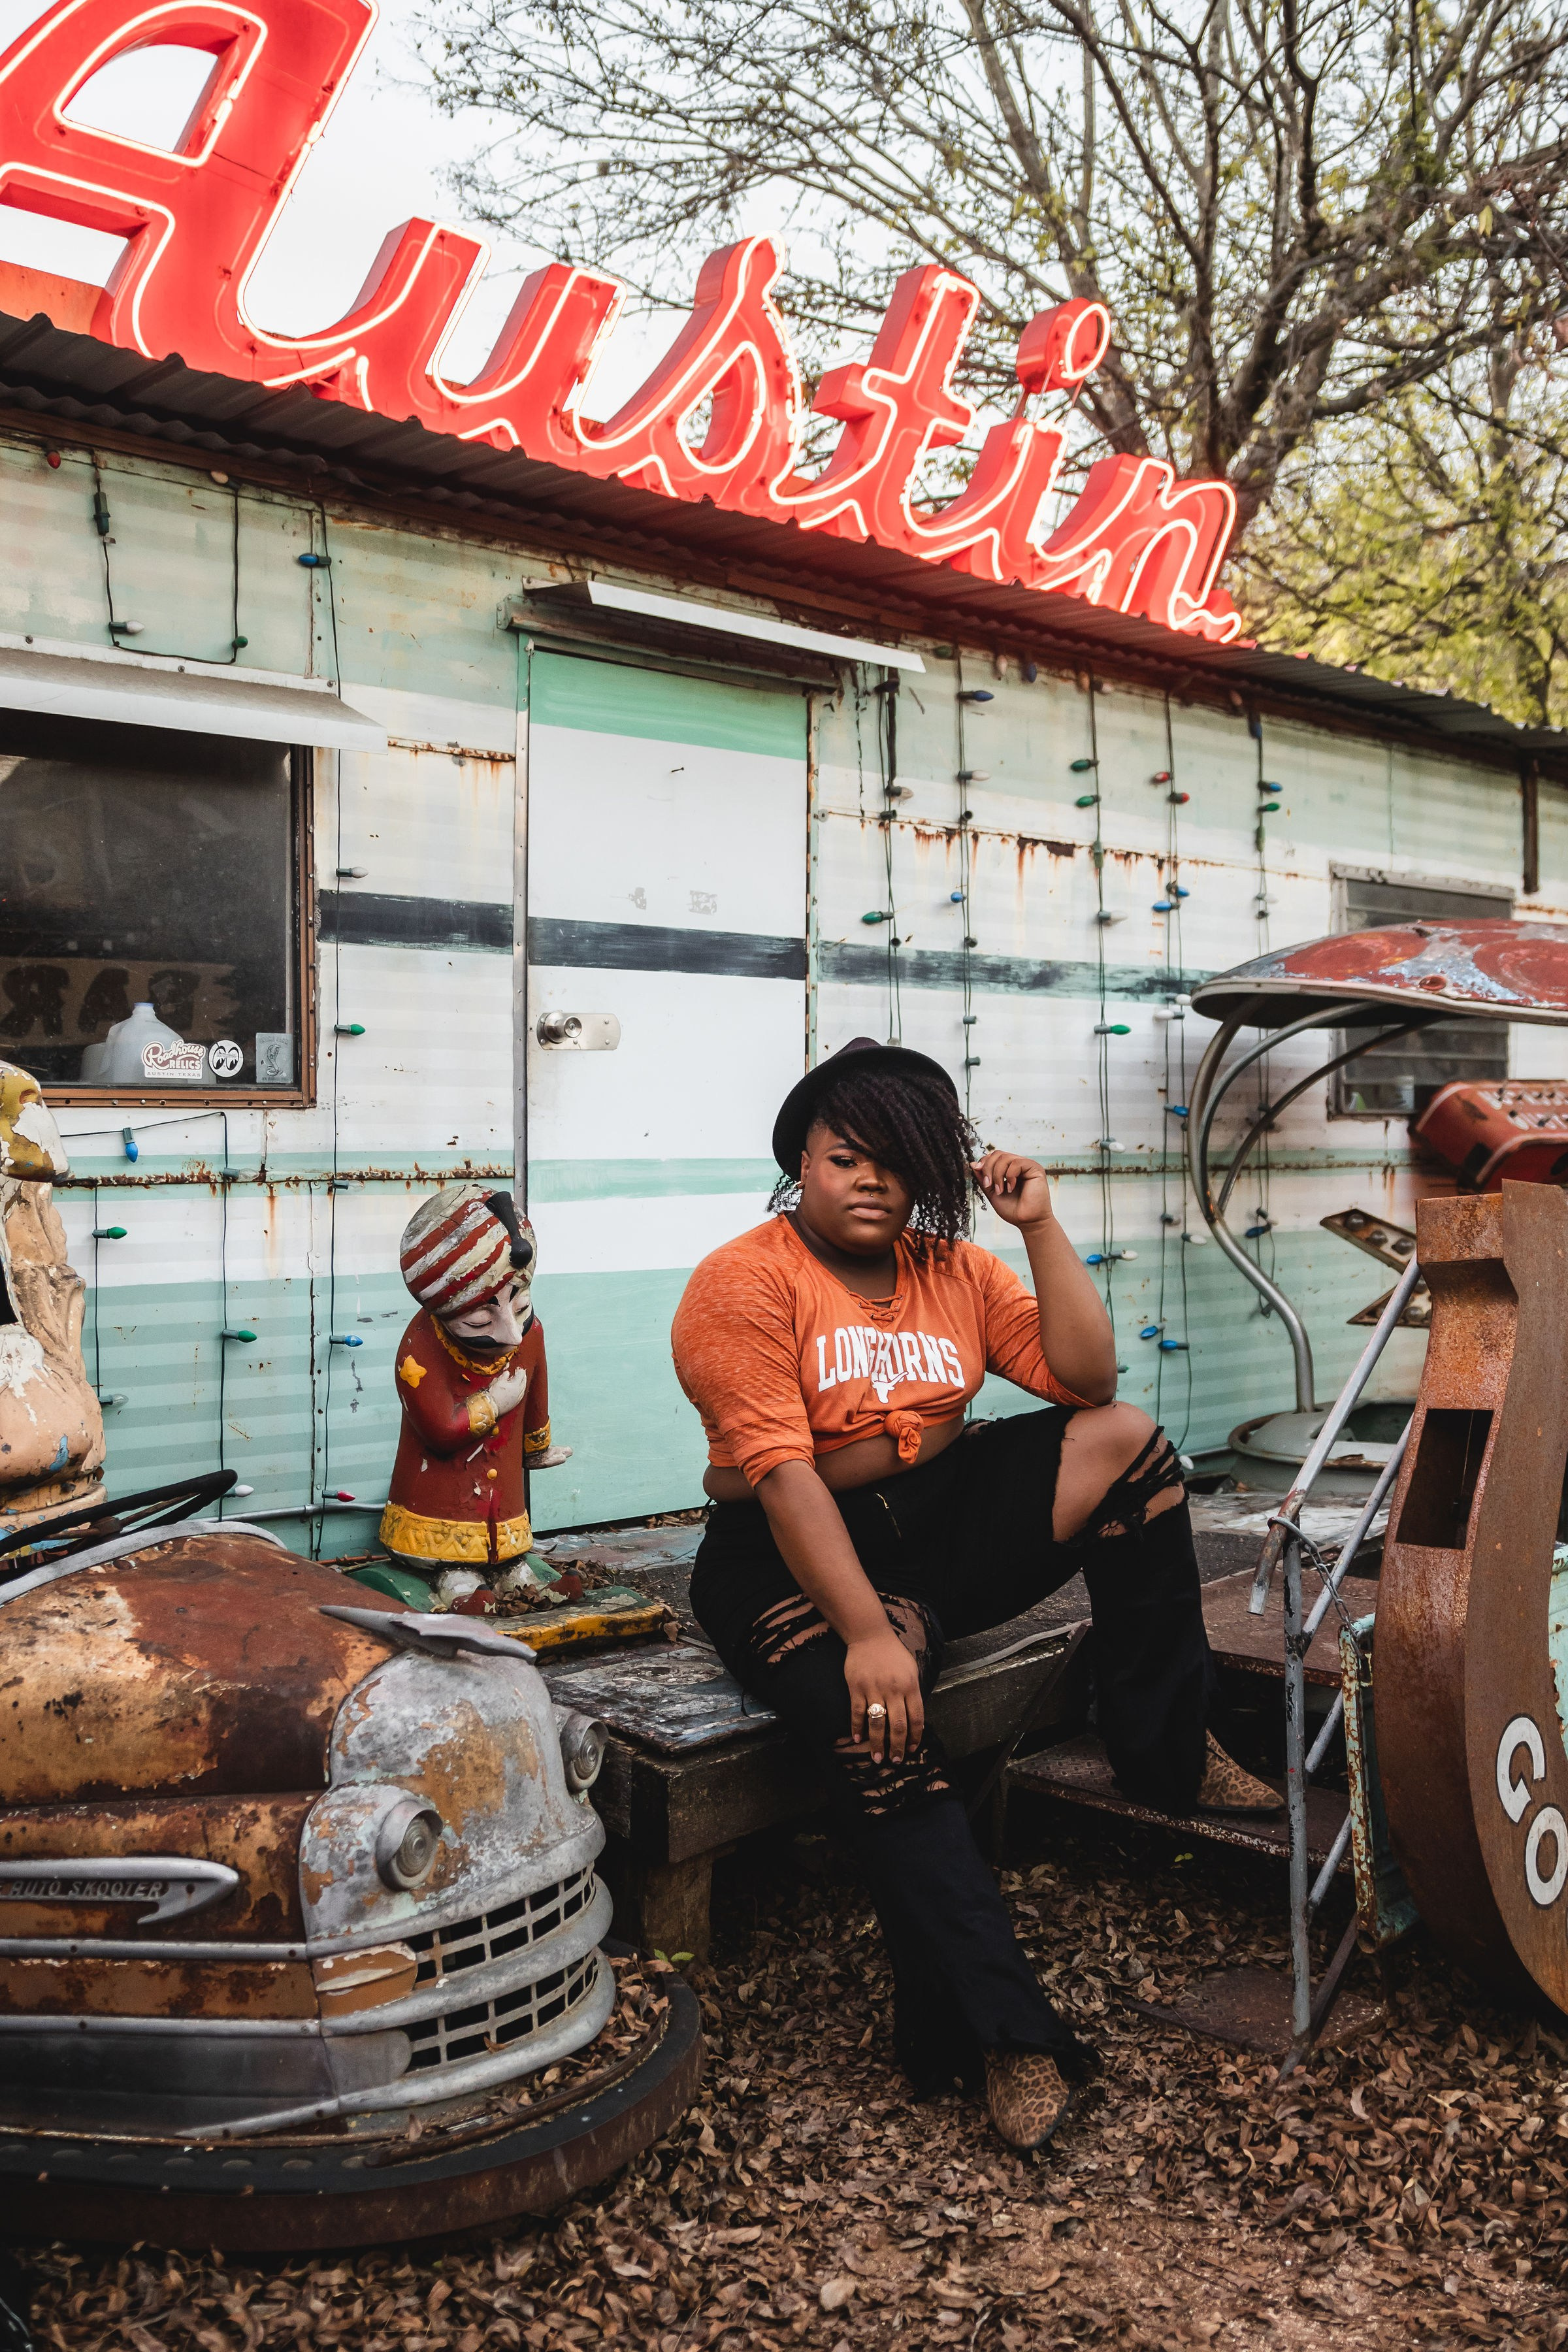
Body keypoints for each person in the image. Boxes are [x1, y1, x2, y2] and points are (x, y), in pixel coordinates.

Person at [670, 1037, 1276, 2153]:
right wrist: (864, 1631)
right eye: (846, 1156)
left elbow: (1090, 1381)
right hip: (787, 1552)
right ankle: (1004, 2032)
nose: (869, 1181)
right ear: (799, 1157)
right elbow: (783, 1476)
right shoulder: (743, 1281)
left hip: (936, 1529)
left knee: (1130, 1449)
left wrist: (1039, 1225)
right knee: (880, 1728)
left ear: (930, 1178)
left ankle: (1169, 1753)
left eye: (897, 1164)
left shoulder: (953, 1266)